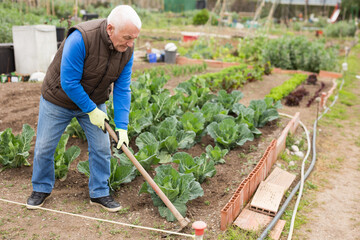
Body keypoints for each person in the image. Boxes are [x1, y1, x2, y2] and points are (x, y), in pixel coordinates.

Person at [26, 5, 141, 212]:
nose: (131, 43)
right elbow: (69, 82)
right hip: (58, 98)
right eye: (127, 37)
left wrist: (122, 126)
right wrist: (91, 110)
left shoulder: (126, 50)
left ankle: (99, 193)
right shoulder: (81, 38)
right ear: (110, 29)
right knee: (44, 147)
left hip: (94, 99)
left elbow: (123, 88)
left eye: (134, 38)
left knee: (102, 148)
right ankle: (41, 188)